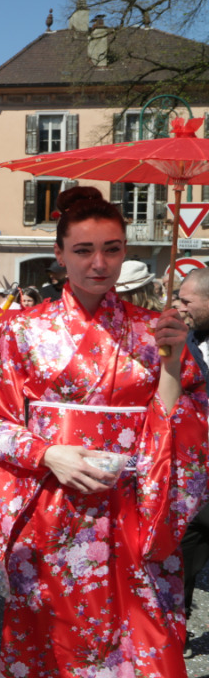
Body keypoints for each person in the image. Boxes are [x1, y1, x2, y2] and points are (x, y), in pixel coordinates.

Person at [0, 186, 206, 677]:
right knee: (50, 641)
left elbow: (185, 424)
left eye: (112, 249)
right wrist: (48, 454)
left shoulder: (153, 330)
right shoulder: (24, 330)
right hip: (51, 506)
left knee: (143, 639)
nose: (100, 263)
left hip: (133, 509)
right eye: (83, 250)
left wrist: (171, 363)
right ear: (59, 255)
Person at [177, 268, 209, 639]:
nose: (179, 307)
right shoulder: (184, 340)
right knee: (183, 557)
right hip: (192, 467)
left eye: (187, 301)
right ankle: (178, 631)